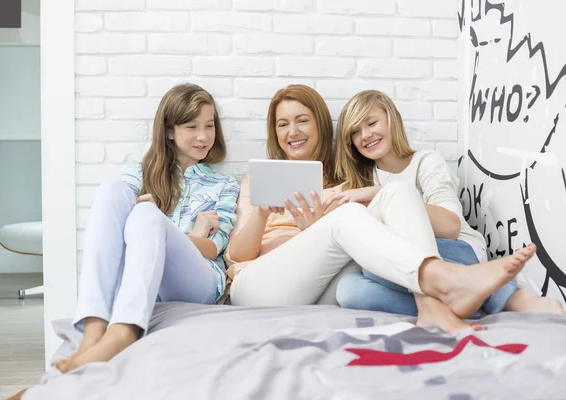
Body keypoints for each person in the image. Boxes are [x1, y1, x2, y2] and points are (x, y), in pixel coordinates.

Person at [225, 85, 537, 332]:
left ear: (320, 125)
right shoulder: (258, 178)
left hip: (322, 289)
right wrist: (261, 214)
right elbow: (238, 255)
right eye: (283, 124)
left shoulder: (347, 182)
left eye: (302, 120)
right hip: (261, 286)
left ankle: (431, 305)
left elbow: (366, 253)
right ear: (275, 133)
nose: (292, 131)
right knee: (351, 216)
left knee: (395, 194)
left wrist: (314, 227)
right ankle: (447, 280)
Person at [329, 89, 564, 323]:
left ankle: (509, 298)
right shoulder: (360, 182)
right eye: (355, 132)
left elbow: (451, 226)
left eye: (371, 123)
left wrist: (380, 195)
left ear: (393, 119)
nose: (366, 135)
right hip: (412, 268)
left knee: (378, 265)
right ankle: (463, 305)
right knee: (349, 290)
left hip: (457, 250)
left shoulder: (425, 162)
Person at [54, 83, 240, 373]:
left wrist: (161, 224)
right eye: (192, 126)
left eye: (209, 125)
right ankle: (94, 324)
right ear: (169, 131)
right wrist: (192, 231)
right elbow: (116, 228)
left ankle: (124, 332)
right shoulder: (138, 174)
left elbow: (214, 247)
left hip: (199, 283)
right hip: (149, 279)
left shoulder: (224, 185)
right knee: (113, 191)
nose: (203, 136)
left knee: (147, 214)